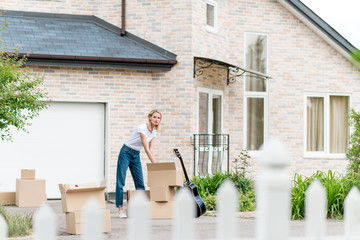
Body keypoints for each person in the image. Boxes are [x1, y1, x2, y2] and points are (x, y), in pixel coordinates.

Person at [116, 109, 162, 218]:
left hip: (136, 154)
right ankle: (120, 208)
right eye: (154, 117)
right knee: (120, 181)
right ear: (150, 117)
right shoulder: (142, 128)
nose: (156, 119)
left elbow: (151, 147)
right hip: (126, 152)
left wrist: (154, 163)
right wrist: (155, 164)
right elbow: (146, 148)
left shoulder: (154, 131)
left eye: (159, 118)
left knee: (140, 182)